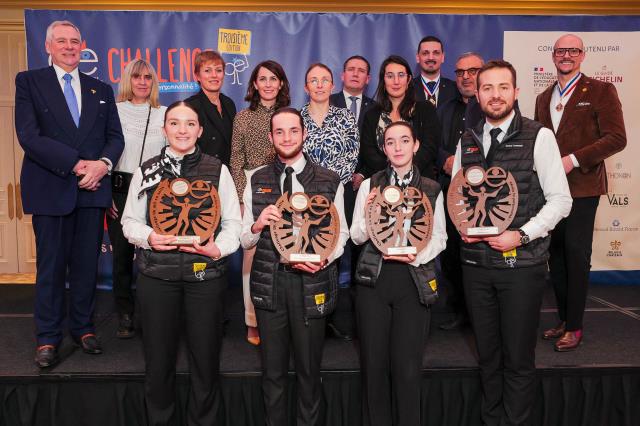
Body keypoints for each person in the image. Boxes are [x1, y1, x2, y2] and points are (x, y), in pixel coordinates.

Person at [452, 60, 572, 425]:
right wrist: (461, 225)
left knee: (518, 358)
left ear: (516, 92)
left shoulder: (540, 136)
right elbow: (459, 198)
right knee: (488, 357)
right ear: (476, 93)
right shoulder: (467, 139)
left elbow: (561, 201)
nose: (495, 95)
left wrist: (519, 236)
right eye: (487, 88)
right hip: (475, 265)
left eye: (503, 87)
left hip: (521, 266)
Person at [121, 101, 241, 425]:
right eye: (175, 123)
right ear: (164, 129)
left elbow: (234, 223)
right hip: (157, 278)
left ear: (200, 130)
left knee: (205, 363)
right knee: (158, 364)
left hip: (205, 279)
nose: (182, 130)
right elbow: (129, 221)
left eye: (190, 124)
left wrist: (219, 249)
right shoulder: (147, 170)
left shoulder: (218, 170)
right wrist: (149, 237)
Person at [14, 20, 124, 368]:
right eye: (61, 41)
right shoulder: (29, 82)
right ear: (48, 46)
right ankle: (48, 338)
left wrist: (102, 165)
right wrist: (79, 165)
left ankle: (83, 328)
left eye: (74, 41)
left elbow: (115, 137)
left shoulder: (101, 89)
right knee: (51, 268)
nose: (69, 46)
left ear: (83, 46)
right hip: (52, 189)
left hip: (93, 191)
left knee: (85, 266)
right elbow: (30, 137)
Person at [240, 107, 349, 426]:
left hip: (311, 284)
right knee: (272, 376)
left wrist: (324, 257)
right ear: (271, 137)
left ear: (303, 134)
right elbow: (243, 239)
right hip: (269, 286)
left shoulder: (329, 181)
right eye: (279, 132)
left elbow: (340, 233)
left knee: (309, 375)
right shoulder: (256, 178)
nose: (286, 137)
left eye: (293, 131)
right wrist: (258, 224)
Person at [351, 122, 447, 426]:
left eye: (404, 140)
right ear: (384, 148)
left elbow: (440, 238)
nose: (398, 147)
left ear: (415, 145)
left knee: (407, 369)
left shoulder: (431, 188)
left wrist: (416, 254)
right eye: (391, 142)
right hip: (374, 281)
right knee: (374, 367)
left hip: (412, 280)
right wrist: (367, 217)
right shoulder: (370, 185)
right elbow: (355, 236)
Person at [535, 34, 627, 352]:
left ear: (582, 55)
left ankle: (575, 326)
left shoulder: (601, 91)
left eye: (573, 50)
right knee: (556, 257)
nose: (566, 56)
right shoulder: (543, 96)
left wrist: (573, 160)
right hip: (551, 191)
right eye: (561, 51)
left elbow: (617, 138)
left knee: (576, 255)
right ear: (553, 56)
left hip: (583, 188)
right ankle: (563, 318)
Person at [229, 59, 291, 345]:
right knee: (252, 256)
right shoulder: (242, 117)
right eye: (262, 78)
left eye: (273, 78)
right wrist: (242, 200)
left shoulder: (291, 115)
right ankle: (252, 320)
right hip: (253, 187)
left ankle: (285, 315)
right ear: (254, 83)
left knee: (287, 250)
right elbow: (236, 161)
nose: (268, 84)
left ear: (281, 83)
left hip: (287, 185)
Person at [106, 59, 166, 339]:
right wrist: (107, 195)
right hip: (119, 188)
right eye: (136, 76)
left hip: (156, 191)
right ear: (128, 80)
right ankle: (125, 313)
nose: (142, 82)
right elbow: (102, 154)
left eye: (148, 77)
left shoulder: (164, 113)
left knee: (154, 254)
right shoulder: (113, 111)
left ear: (154, 82)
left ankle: (153, 312)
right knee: (121, 256)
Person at [301, 63, 359, 341]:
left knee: (334, 252)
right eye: (314, 80)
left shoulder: (345, 117)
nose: (320, 85)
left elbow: (351, 157)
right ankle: (306, 312)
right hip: (302, 200)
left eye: (325, 80)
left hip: (336, 196)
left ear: (333, 86)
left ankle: (331, 315)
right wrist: (310, 190)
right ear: (306, 87)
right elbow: (293, 156)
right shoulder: (297, 119)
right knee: (304, 248)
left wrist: (327, 188)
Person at [435, 52, 484, 331]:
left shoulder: (491, 107)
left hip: (481, 196)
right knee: (452, 253)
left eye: (472, 71)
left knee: (476, 254)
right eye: (461, 72)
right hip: (448, 190)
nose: (466, 76)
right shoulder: (444, 109)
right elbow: (433, 143)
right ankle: (458, 311)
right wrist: (446, 160)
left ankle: (479, 311)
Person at [359, 55, 441, 180]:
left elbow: (429, 148)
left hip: (420, 183)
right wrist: (391, 174)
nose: (396, 81)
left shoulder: (425, 109)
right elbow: (368, 152)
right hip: (382, 183)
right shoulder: (372, 114)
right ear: (383, 80)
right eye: (390, 76)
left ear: (408, 80)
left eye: (401, 75)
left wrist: (406, 172)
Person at [185, 50, 236, 165]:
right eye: (207, 71)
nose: (214, 75)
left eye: (218, 70)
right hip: (199, 175)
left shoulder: (229, 104)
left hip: (226, 175)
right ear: (197, 76)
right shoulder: (190, 106)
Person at [413, 35, 459, 109]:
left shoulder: (455, 89)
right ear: (418, 58)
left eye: (436, 53)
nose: (431, 57)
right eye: (425, 53)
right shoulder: (408, 88)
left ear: (442, 57)